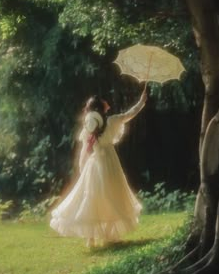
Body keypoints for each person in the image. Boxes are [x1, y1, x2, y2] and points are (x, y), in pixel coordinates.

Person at [50, 87, 148, 247]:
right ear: (101, 106)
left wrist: (82, 166)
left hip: (94, 163)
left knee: (92, 195)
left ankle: (91, 237)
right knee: (112, 194)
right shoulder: (112, 120)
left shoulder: (90, 123)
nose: (107, 102)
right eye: (104, 101)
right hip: (109, 162)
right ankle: (108, 234)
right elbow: (130, 114)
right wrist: (142, 101)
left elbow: (85, 149)